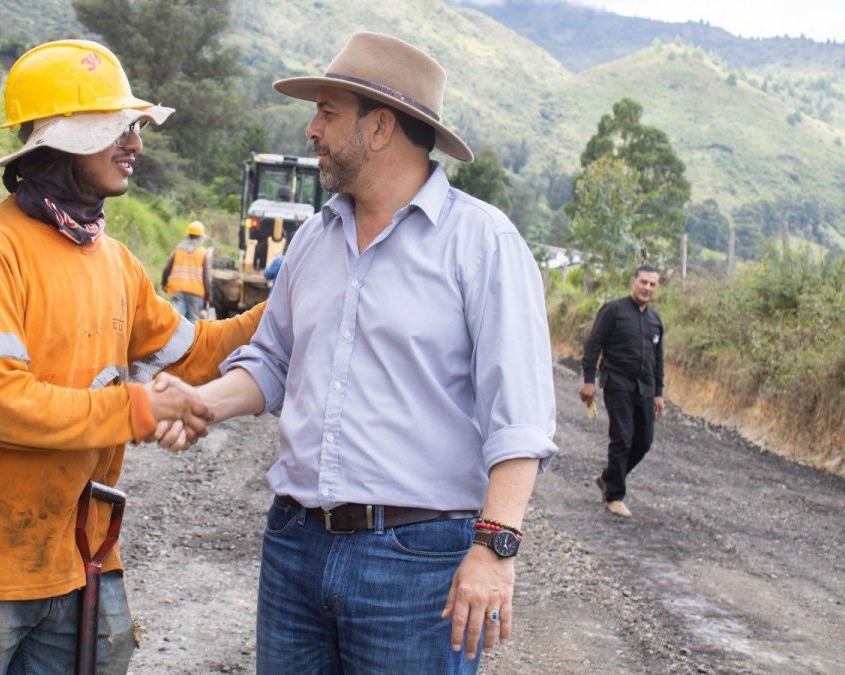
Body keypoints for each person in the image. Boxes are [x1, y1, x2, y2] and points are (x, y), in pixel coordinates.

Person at [156, 31, 557, 673]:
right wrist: (200, 401)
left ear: (378, 127)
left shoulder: (482, 243)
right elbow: (272, 363)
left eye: (327, 112)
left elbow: (523, 420)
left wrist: (495, 548)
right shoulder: (313, 241)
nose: (311, 129)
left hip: (418, 565)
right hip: (294, 548)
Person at [0, 39, 264, 675]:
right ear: (59, 141)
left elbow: (198, 356)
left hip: (82, 556)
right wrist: (135, 409)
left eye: (133, 129)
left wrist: (292, 301)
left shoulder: (116, 264)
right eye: (117, 130)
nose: (136, 145)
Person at [580, 264, 665, 518]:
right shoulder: (613, 310)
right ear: (633, 281)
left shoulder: (655, 320)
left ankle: (608, 477)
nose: (647, 288)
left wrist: (659, 393)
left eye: (652, 284)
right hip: (617, 383)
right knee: (622, 437)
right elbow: (594, 344)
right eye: (644, 282)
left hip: (645, 388)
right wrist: (588, 380)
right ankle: (614, 496)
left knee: (644, 441)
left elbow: (658, 359)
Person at [161, 220, 214, 322]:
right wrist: (208, 295)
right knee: (192, 323)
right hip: (196, 294)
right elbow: (206, 277)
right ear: (201, 238)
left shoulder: (178, 250)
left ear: (188, 235)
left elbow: (166, 269)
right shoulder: (203, 253)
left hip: (178, 290)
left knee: (176, 321)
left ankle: (174, 337)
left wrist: (164, 283)